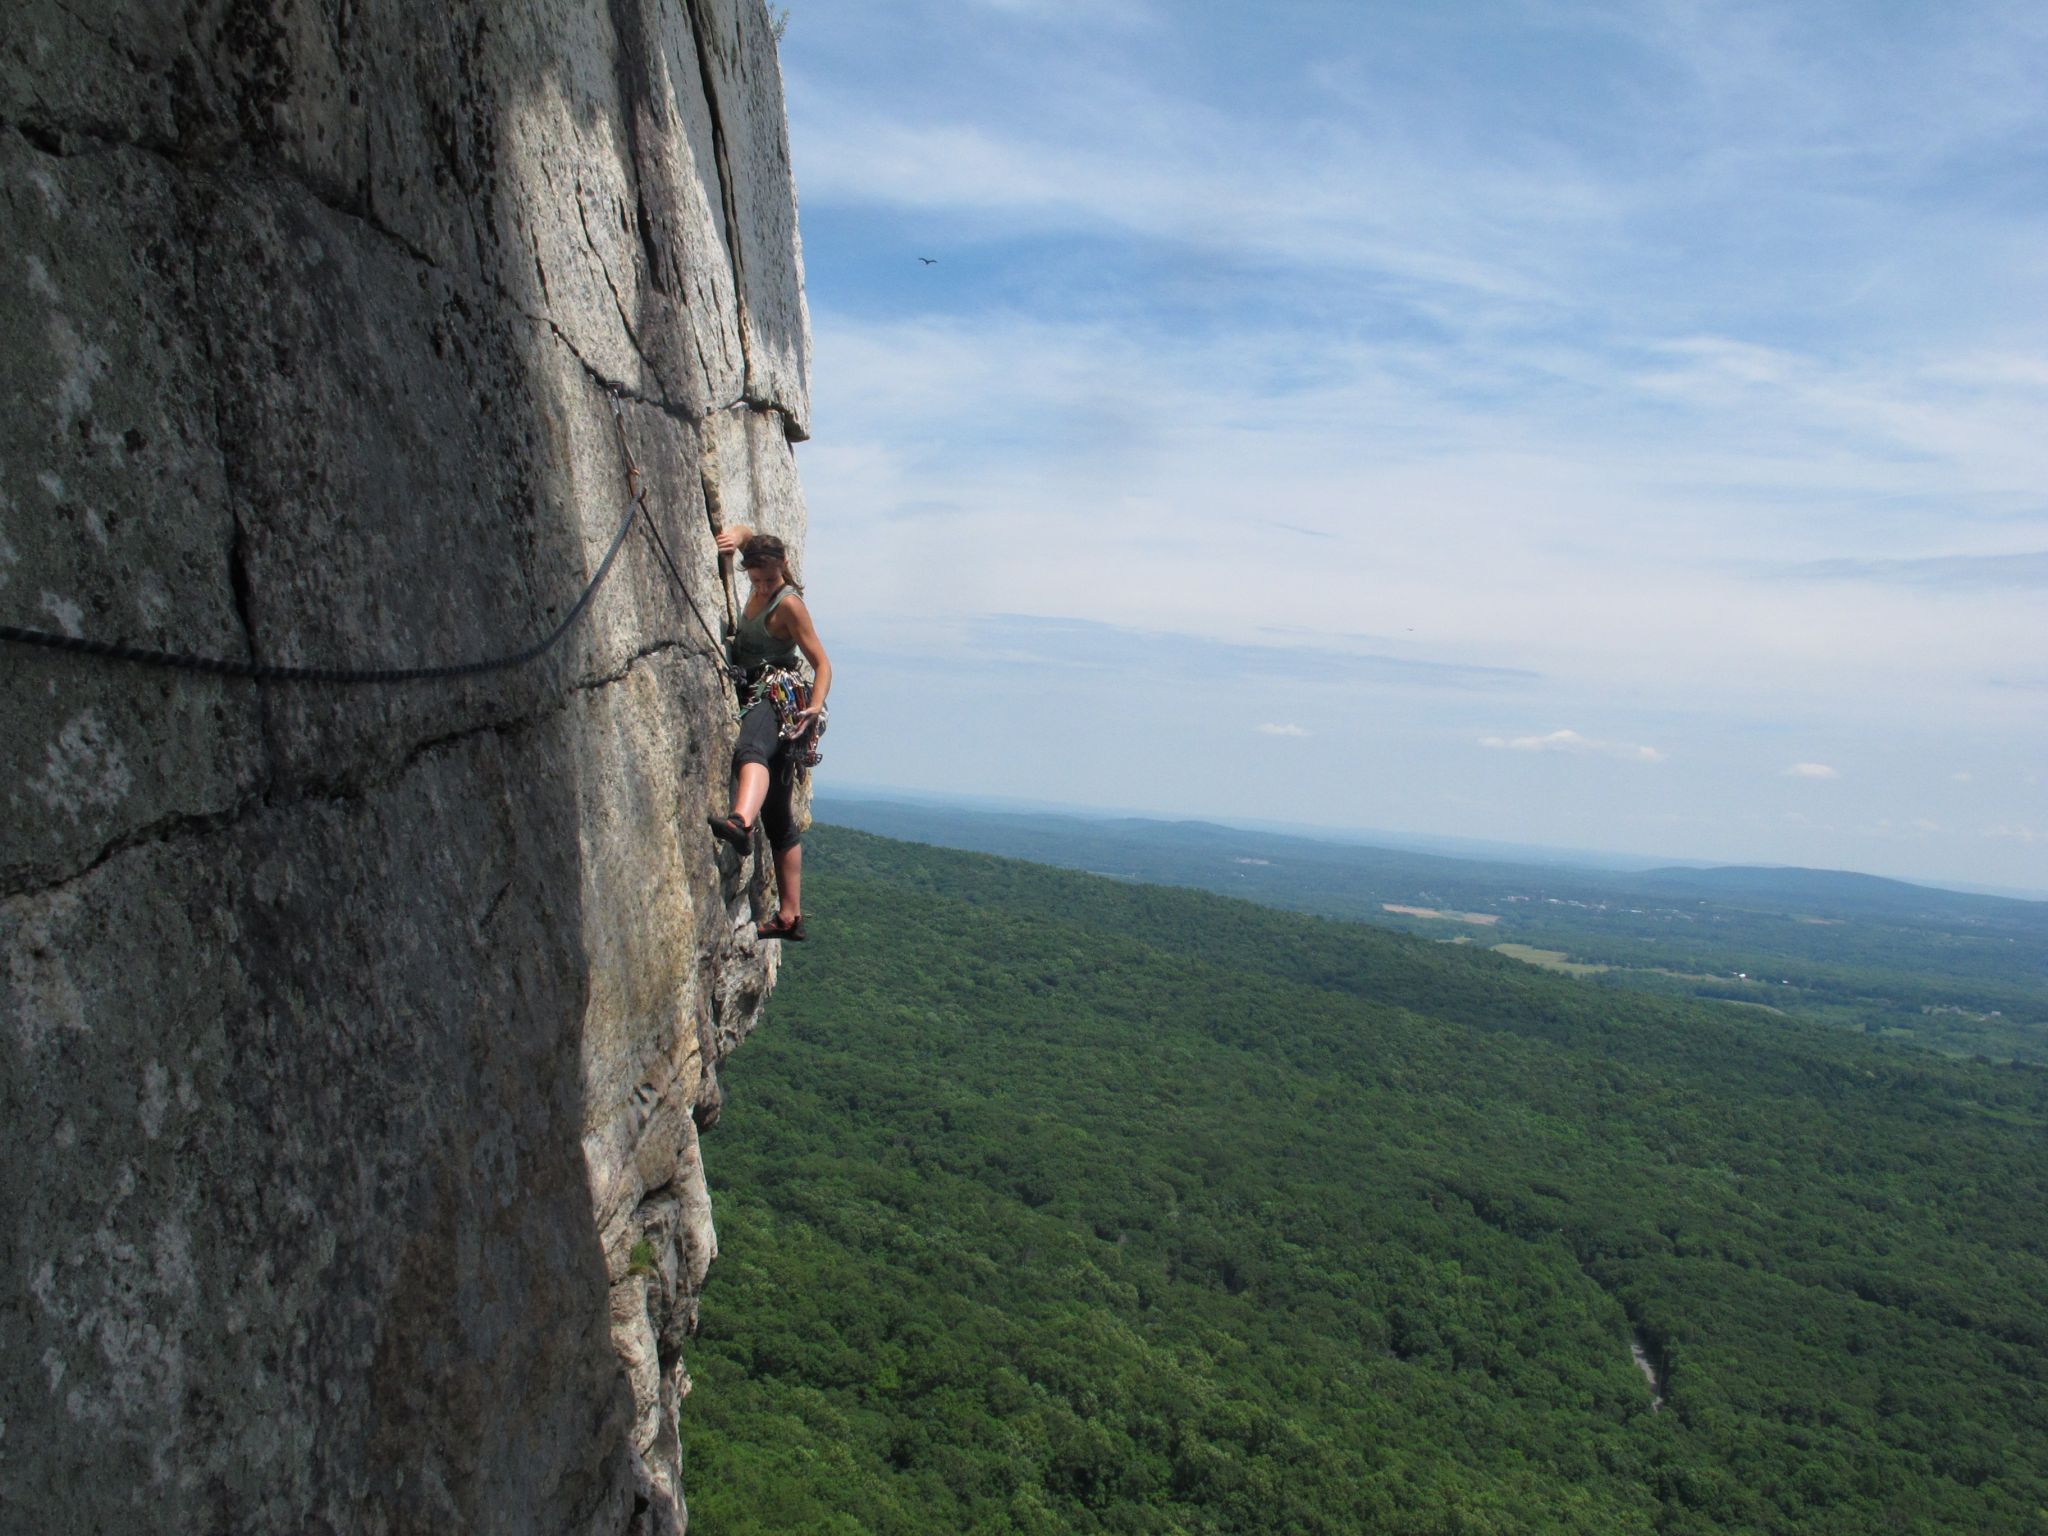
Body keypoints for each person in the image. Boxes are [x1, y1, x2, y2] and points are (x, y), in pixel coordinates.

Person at [706, 526, 831, 941]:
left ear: (783, 567)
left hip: (773, 693)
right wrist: (735, 534)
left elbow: (822, 662)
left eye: (768, 579)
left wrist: (815, 705)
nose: (761, 586)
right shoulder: (760, 565)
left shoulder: (788, 603)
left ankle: (740, 821)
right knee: (777, 813)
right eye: (755, 579)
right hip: (769, 698)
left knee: (751, 750)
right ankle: (790, 917)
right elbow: (748, 537)